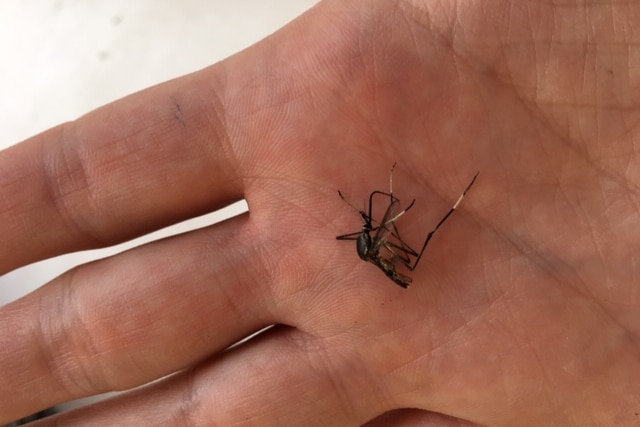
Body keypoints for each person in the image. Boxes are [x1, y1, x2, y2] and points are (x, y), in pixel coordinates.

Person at [1, 1, 638, 425]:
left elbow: (384, 241)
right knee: (385, 230)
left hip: (388, 250)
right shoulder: (375, 240)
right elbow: (380, 241)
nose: (377, 227)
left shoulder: (378, 237)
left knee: (387, 228)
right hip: (384, 252)